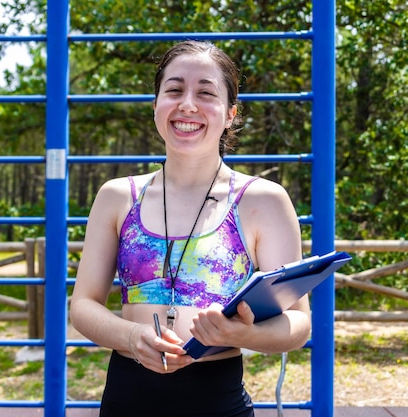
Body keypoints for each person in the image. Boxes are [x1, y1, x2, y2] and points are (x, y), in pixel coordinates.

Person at [69, 40, 312, 417]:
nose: (187, 104)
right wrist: (133, 338)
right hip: (125, 399)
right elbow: (83, 305)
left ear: (230, 113)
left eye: (206, 93)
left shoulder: (264, 201)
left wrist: (242, 334)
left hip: (219, 401)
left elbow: (298, 322)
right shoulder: (117, 196)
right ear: (155, 105)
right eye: (174, 89)